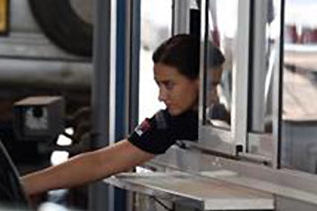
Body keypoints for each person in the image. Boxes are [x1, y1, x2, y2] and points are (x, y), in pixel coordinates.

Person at [21, 34, 225, 196]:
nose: (161, 96)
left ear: (200, 81)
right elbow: (101, 162)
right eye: (159, 85)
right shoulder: (170, 123)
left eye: (169, 85)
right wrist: (21, 185)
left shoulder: (226, 119)